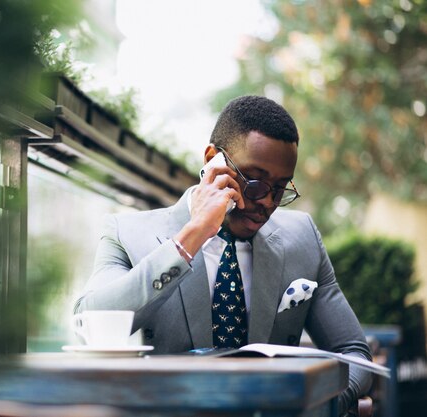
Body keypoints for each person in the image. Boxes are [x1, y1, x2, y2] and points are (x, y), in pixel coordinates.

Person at [74, 95, 372, 414]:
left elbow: (352, 352)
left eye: (281, 188)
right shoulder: (126, 232)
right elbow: (89, 321)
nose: (267, 202)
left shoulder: (302, 237)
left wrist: (319, 404)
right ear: (213, 159)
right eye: (254, 183)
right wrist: (194, 235)